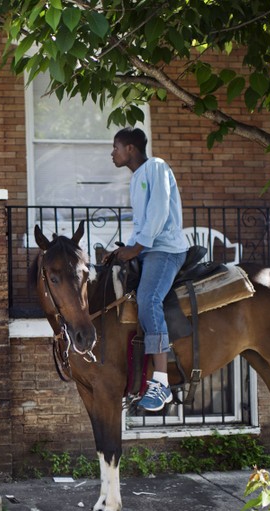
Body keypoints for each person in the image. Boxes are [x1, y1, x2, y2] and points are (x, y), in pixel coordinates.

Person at [107, 127, 190, 412]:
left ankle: (161, 382)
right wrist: (123, 251)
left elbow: (158, 213)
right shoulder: (136, 179)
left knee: (148, 299)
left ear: (130, 148)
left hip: (165, 250)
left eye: (115, 147)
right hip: (148, 248)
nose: (112, 153)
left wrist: (137, 247)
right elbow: (141, 225)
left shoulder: (156, 167)